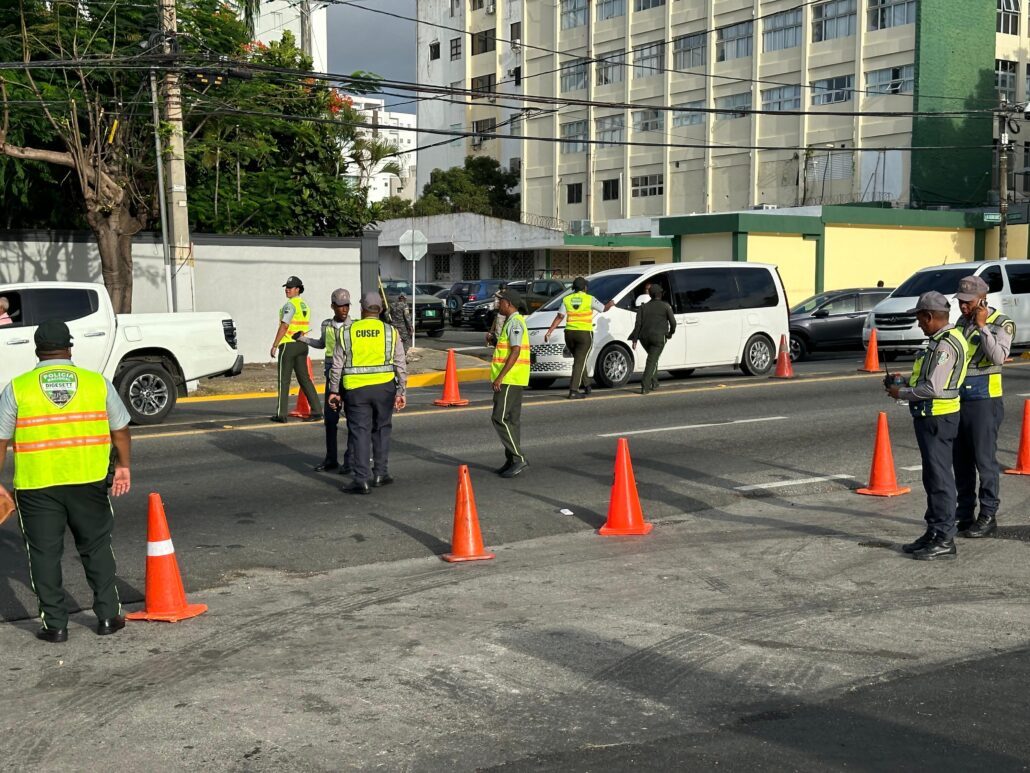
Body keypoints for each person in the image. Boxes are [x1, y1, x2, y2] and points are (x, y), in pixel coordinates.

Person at [0, 320, 132, 643]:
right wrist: (125, 465)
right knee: (97, 547)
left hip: (36, 486)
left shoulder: (18, 388)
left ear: (36, 350)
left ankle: (55, 626)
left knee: (43, 555)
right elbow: (120, 429)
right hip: (88, 481)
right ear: (70, 347)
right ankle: (107, 616)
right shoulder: (95, 383)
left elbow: (0, 440)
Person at [886, 291, 970, 560]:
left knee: (940, 479)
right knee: (933, 478)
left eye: (921, 318)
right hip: (932, 416)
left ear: (931, 316)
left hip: (938, 417)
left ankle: (944, 538)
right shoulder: (939, 340)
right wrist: (905, 383)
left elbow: (933, 387)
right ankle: (934, 531)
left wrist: (901, 394)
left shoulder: (946, 344)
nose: (919, 323)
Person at [953, 275, 1014, 539]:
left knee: (984, 461)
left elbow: (998, 356)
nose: (963, 307)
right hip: (958, 399)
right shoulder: (960, 322)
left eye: (968, 302)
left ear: (982, 299)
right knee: (961, 461)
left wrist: (982, 327)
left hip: (984, 399)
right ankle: (965, 514)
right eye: (960, 301)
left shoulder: (1002, 323)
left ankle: (988, 515)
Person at [328, 291, 407, 495]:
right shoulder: (391, 331)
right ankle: (380, 473)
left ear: (362, 309)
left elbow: (337, 365)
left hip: (356, 390)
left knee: (360, 432)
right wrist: (401, 390)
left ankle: (361, 479)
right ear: (380, 309)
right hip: (384, 388)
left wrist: (334, 391)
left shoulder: (347, 331)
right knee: (382, 429)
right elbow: (400, 363)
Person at [295, 288, 354, 474]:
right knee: (330, 420)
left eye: (346, 306)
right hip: (331, 377)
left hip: (350, 377)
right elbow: (322, 344)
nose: (344, 309)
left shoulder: (355, 326)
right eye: (340, 306)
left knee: (353, 421)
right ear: (333, 306)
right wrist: (303, 338)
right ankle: (331, 459)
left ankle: (350, 461)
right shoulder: (326, 325)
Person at [543, 276, 612, 399]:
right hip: (584, 334)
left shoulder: (566, 299)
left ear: (574, 288)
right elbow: (603, 308)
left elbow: (559, 316)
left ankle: (587, 385)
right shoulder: (589, 299)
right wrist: (611, 303)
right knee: (579, 361)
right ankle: (573, 390)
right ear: (585, 288)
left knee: (580, 359)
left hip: (569, 334)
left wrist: (549, 331)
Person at [269, 276, 321, 424]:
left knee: (283, 380)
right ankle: (317, 411)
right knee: (305, 379)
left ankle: (281, 414)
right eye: (286, 287)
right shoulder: (304, 305)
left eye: (290, 287)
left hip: (289, 344)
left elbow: (285, 326)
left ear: (298, 289)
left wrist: (275, 344)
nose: (287, 289)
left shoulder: (290, 305)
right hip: (302, 345)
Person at [491, 288, 531, 478]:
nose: (498, 305)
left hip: (510, 378)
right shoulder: (512, 322)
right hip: (514, 378)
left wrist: (500, 377)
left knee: (499, 418)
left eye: (501, 302)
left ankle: (518, 457)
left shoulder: (515, 322)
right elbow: (508, 348)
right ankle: (511, 460)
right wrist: (494, 341)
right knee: (512, 421)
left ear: (509, 304)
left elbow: (515, 351)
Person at [629, 285, 677, 394]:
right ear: (660, 294)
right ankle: (645, 386)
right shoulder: (665, 306)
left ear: (650, 295)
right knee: (651, 361)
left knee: (653, 358)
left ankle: (655, 382)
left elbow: (638, 325)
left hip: (644, 338)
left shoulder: (642, 307)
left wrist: (635, 340)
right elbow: (673, 323)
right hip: (659, 338)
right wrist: (670, 333)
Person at [390, 293, 415, 359]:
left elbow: (386, 314)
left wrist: (390, 321)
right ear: (404, 299)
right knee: (405, 341)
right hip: (402, 327)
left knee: (394, 341)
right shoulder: (404, 305)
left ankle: (394, 356)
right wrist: (410, 327)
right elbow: (407, 317)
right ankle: (403, 357)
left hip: (393, 326)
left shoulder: (392, 305)